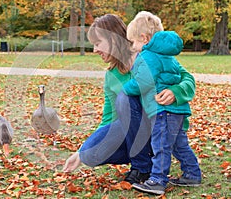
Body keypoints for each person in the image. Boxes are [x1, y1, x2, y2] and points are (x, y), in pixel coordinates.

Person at [62, 14, 196, 186]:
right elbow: (109, 119)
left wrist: (175, 91)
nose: (95, 50)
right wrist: (81, 151)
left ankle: (142, 168)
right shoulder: (111, 76)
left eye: (97, 44)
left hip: (160, 124)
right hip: (134, 133)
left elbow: (188, 79)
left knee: (125, 97)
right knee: (90, 154)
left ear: (113, 39)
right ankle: (143, 158)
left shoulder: (150, 54)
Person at [123, 11, 201, 195]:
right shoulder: (169, 57)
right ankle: (192, 173)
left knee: (161, 146)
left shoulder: (148, 56)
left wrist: (125, 88)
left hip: (163, 110)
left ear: (144, 38)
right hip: (177, 110)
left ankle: (157, 180)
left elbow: (143, 82)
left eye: (133, 42)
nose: (133, 47)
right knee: (178, 144)